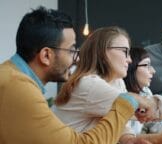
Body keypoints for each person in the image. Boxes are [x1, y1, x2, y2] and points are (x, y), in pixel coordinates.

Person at [0, 7, 152, 144]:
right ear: (46, 55)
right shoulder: (18, 88)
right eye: (72, 50)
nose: (77, 58)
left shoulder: (11, 77)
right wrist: (127, 102)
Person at [53, 26, 162, 144]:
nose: (129, 60)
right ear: (102, 52)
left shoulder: (117, 82)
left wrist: (130, 140)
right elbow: (152, 108)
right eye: (124, 52)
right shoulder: (89, 84)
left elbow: (120, 123)